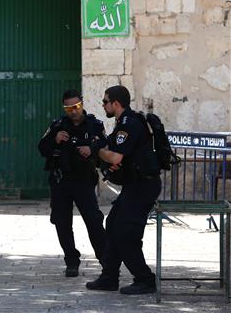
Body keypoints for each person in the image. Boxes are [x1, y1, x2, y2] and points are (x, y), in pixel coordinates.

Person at [86, 85, 161, 295]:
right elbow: (113, 148)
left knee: (126, 233)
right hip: (135, 185)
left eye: (105, 101)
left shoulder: (130, 123)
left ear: (115, 103)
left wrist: (98, 151)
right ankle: (109, 277)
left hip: (143, 186)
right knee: (112, 224)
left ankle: (145, 280)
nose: (103, 105)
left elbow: (115, 156)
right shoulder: (123, 122)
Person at [37, 89, 107, 277]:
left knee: (94, 221)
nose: (73, 111)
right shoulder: (58, 125)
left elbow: (105, 145)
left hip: (84, 181)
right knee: (62, 222)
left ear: (82, 104)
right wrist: (55, 138)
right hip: (61, 181)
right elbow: (42, 147)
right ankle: (71, 261)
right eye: (68, 108)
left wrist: (90, 149)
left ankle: (106, 261)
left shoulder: (94, 125)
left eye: (76, 106)